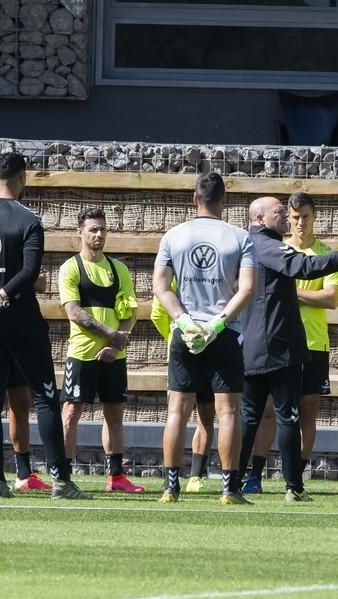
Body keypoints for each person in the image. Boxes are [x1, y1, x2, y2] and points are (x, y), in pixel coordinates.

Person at [0, 152, 87, 499]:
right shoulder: (29, 219)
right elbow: (30, 272)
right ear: (22, 177)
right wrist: (0, 294)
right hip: (21, 319)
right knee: (43, 396)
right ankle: (60, 481)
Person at [237, 195, 338, 503]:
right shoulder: (269, 246)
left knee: (251, 416)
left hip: (252, 345)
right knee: (284, 416)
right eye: (280, 213)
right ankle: (292, 486)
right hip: (278, 347)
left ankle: (232, 482)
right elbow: (306, 266)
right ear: (261, 218)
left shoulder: (247, 245)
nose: (287, 218)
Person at [152, 172, 256, 505]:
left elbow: (160, 287)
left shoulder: (173, 236)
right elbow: (248, 289)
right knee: (227, 413)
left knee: (176, 412)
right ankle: (230, 489)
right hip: (223, 334)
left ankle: (170, 488)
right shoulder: (241, 238)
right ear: (224, 200)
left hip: (186, 332)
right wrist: (219, 325)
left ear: (194, 199)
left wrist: (182, 320)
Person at [59, 208, 143, 493]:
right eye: (93, 230)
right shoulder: (71, 267)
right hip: (82, 353)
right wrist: (112, 336)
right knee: (71, 412)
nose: (99, 235)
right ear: (79, 232)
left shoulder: (118, 269)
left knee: (115, 414)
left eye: (103, 229)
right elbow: (74, 313)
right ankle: (63, 474)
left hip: (113, 355)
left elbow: (130, 310)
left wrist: (116, 342)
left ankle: (115, 476)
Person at [150, 285, 216, 493]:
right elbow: (158, 312)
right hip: (206, 346)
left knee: (185, 414)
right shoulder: (177, 272)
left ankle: (177, 478)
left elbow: (158, 313)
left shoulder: (176, 268)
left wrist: (174, 336)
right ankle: (191, 477)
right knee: (198, 415)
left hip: (190, 346)